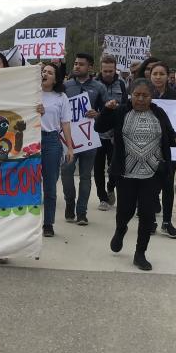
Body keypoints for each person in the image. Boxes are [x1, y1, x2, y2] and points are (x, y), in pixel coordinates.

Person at [95, 79, 176, 271]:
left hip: (152, 173)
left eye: (145, 95)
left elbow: (170, 136)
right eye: (137, 95)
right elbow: (99, 127)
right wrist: (106, 110)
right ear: (130, 95)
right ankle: (120, 230)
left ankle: (140, 253)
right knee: (125, 211)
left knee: (147, 214)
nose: (141, 99)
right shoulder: (121, 111)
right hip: (126, 173)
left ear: (152, 97)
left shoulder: (158, 113)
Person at [62, 52, 115, 226]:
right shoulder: (65, 86)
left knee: (85, 177)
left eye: (81, 64)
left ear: (90, 67)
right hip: (69, 139)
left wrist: (98, 113)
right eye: (75, 63)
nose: (77, 66)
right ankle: (70, 202)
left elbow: (108, 112)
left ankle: (81, 212)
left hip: (89, 139)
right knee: (66, 173)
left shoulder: (99, 87)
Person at [148, 62, 176, 239]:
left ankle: (167, 222)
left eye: (162, 73)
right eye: (155, 73)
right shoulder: (144, 95)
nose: (158, 77)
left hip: (169, 149)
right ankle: (151, 221)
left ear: (168, 76)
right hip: (146, 150)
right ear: (150, 75)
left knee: (168, 186)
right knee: (150, 186)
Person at [40, 63, 74, 237]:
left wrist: (70, 147)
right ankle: (29, 222)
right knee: (29, 183)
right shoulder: (30, 94)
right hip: (31, 140)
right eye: (43, 71)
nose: (45, 74)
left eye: (50, 72)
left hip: (51, 141)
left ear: (55, 78)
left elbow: (65, 123)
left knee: (50, 185)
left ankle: (48, 223)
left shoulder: (61, 97)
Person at [95, 55, 127, 212]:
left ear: (115, 69)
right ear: (100, 69)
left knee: (114, 167)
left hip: (115, 134)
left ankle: (110, 186)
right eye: (105, 70)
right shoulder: (94, 85)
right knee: (98, 167)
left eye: (111, 70)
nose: (108, 73)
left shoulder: (121, 85)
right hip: (97, 134)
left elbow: (127, 106)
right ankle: (102, 198)